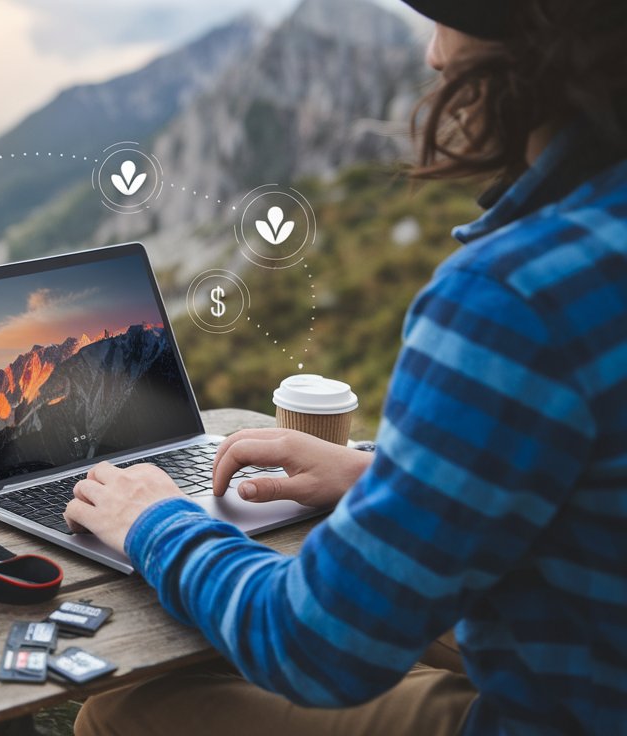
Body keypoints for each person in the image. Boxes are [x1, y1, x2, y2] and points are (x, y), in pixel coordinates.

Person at [63, 1, 627, 733]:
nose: (433, 55)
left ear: (535, 45)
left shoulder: (516, 294)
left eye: (450, 20)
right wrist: (378, 476)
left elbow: (313, 646)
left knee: (126, 708)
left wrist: (152, 520)